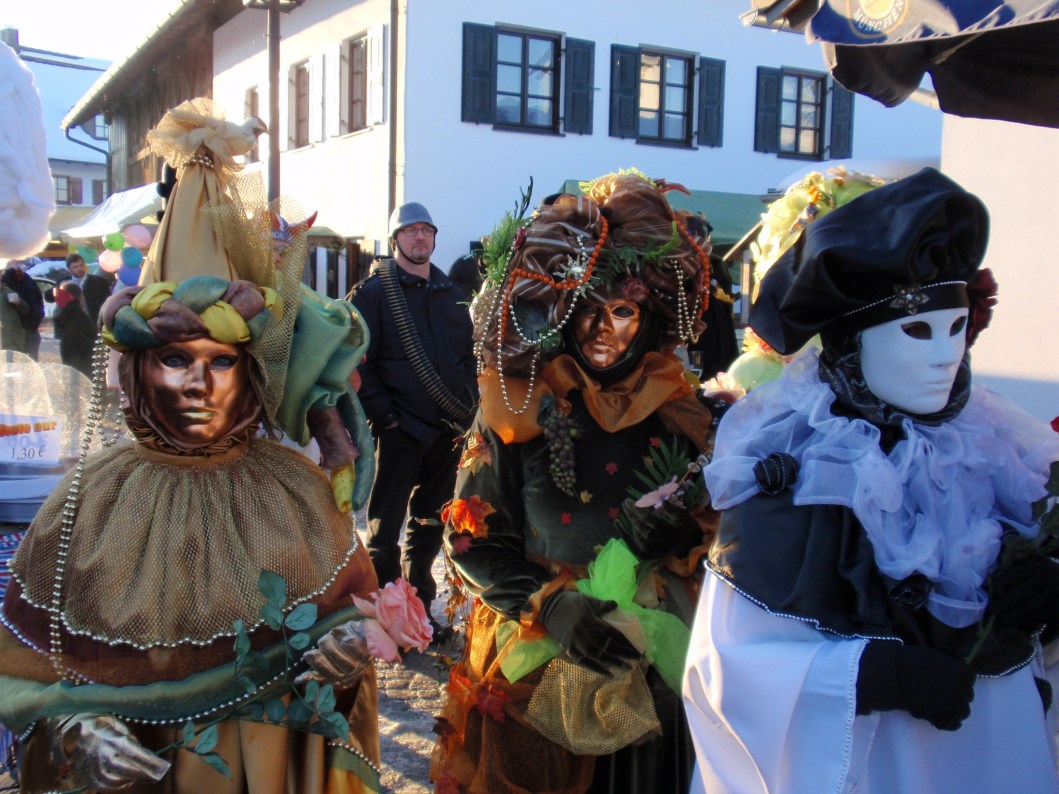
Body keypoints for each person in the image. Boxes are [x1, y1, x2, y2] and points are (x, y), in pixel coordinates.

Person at [0, 98, 386, 793]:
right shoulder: (86, 502)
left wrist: (347, 645)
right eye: (176, 360)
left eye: (222, 361)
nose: (200, 384)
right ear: (137, 369)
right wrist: (74, 729)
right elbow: (24, 659)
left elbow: (349, 616)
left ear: (251, 370)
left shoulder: (297, 493)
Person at [683, 168, 1059, 793]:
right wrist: (876, 674)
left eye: (956, 327)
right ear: (853, 342)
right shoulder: (799, 471)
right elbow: (730, 665)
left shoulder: (996, 456)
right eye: (917, 329)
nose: (945, 355)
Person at [430, 172, 721, 794]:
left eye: (622, 311)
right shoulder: (518, 407)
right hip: (540, 665)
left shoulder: (678, 410)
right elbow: (469, 539)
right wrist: (551, 605)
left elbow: (717, 530)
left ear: (650, 317)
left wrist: (679, 536)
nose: (600, 329)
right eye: (586, 308)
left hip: (654, 668)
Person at [348, 202, 477, 634]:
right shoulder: (373, 294)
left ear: (434, 238)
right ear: (395, 240)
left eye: (426, 230)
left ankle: (418, 613)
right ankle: (387, 617)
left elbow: (466, 358)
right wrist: (386, 417)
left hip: (445, 431)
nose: (419, 237)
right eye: (410, 231)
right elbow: (357, 364)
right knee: (384, 530)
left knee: (427, 526)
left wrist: (468, 404)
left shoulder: (451, 292)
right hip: (399, 432)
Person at [50, 251, 113, 324]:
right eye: (75, 267)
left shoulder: (99, 281)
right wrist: (59, 288)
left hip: (92, 323)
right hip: (71, 323)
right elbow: (49, 298)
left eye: (81, 265)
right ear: (69, 269)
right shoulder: (64, 282)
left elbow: (107, 303)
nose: (79, 268)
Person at [1, 258, 44, 359]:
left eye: (20, 264)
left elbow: (38, 300)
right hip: (14, 332)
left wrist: (39, 315)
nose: (18, 267)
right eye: (16, 264)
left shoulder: (28, 280)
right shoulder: (7, 282)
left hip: (31, 330)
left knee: (30, 362)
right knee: (14, 362)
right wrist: (10, 270)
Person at [50, 280, 96, 376]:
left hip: (69, 354)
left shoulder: (63, 313)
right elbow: (86, 337)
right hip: (82, 358)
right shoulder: (77, 313)